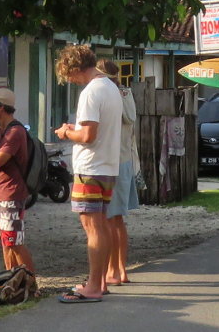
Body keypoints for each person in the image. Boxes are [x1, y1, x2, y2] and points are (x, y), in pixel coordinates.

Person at [52, 45, 122, 303]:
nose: (69, 79)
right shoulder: (111, 87)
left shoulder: (91, 92)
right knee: (100, 225)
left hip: (91, 168)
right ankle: (99, 281)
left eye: (68, 74)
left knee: (92, 227)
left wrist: (66, 133)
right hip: (107, 166)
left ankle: (92, 286)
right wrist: (77, 129)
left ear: (75, 68)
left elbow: (88, 136)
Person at [97, 59, 140, 287]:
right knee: (118, 220)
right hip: (125, 160)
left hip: (112, 162)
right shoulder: (126, 94)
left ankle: (113, 271)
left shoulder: (109, 94)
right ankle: (121, 269)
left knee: (109, 220)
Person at [0, 87, 35, 273]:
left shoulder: (15, 132)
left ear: (1, 106)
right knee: (5, 242)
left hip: (11, 193)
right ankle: (11, 281)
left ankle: (30, 283)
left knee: (14, 242)